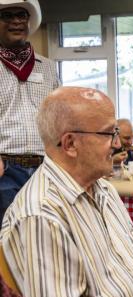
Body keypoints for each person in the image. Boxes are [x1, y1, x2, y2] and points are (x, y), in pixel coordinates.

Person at [1, 87, 133, 297]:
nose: (118, 144)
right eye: (109, 133)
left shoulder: (105, 190)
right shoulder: (41, 214)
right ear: (70, 144)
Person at [0, 0, 59, 224]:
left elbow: (58, 116)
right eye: (7, 15)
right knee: (7, 239)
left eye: (22, 15)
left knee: (44, 233)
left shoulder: (47, 66)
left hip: (46, 168)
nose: (16, 21)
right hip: (5, 170)